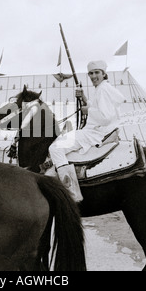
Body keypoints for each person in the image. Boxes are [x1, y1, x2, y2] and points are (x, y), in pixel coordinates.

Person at [48, 60, 125, 202]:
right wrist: (83, 98)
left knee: (55, 148)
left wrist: (87, 110)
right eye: (91, 73)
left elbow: (106, 117)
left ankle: (71, 193)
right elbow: (98, 107)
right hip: (95, 130)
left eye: (97, 73)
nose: (93, 76)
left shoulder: (103, 89)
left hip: (96, 133)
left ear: (103, 74)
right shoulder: (102, 88)